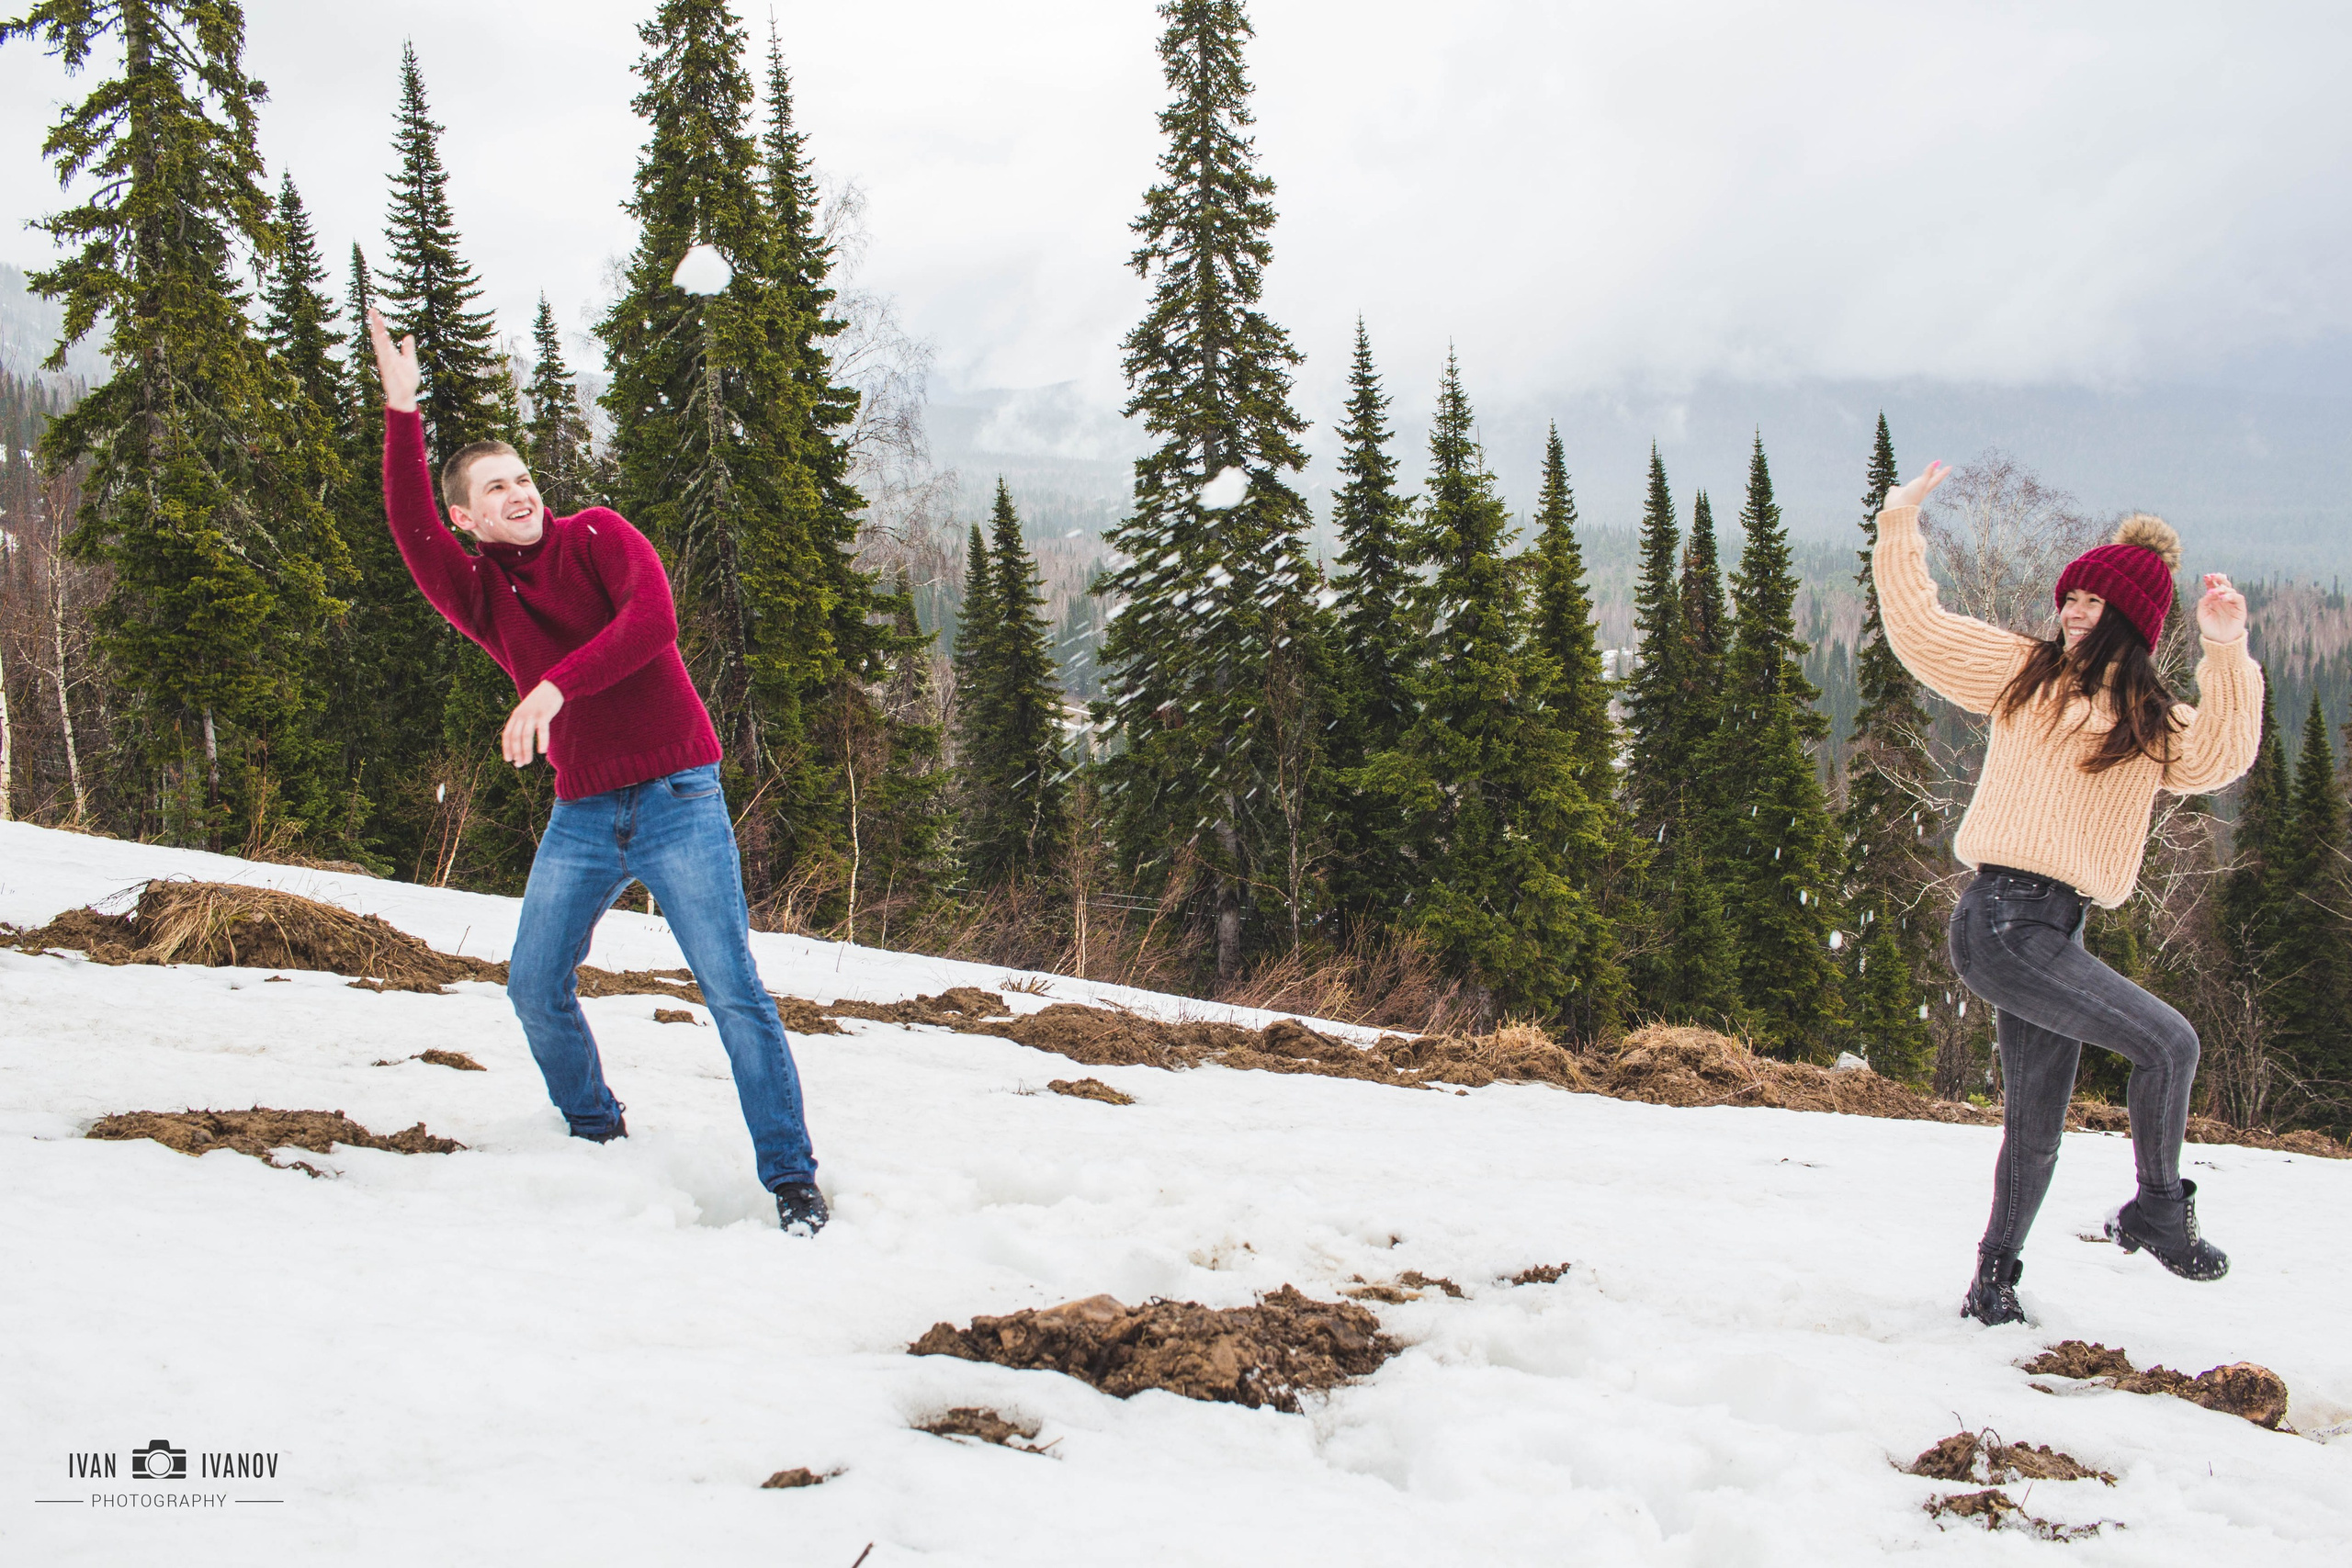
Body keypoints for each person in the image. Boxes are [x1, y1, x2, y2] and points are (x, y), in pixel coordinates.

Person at [366, 309, 827, 1237]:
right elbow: (410, 530)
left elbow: (649, 626)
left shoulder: (600, 536)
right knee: (534, 981)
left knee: (731, 987)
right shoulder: (478, 593)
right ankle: (595, 1134)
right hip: (583, 810)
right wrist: (401, 411)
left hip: (678, 794)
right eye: (494, 489)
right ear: (467, 517)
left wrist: (551, 688)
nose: (519, 494)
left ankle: (791, 1179)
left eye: (524, 478)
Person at [1873, 461, 2260, 1325]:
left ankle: (1992, 1283)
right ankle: (2158, 1209)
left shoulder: (2153, 724)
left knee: (2038, 1125)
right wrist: (1900, 524)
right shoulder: (2027, 675)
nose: (2071, 612)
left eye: (2090, 602)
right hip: (2002, 921)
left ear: (2130, 618)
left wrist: (2227, 647)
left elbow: (2227, 753)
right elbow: (1920, 628)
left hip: (2056, 930)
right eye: (2069, 599)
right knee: (2170, 1043)